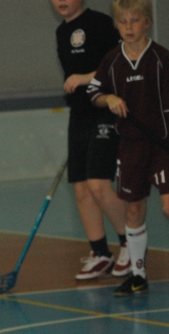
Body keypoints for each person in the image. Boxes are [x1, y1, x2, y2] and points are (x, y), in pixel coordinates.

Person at [88, 0, 168, 295]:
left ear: (147, 22)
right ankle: (138, 275)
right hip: (131, 147)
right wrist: (108, 99)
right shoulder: (111, 60)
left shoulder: (161, 59)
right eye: (123, 22)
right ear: (117, 24)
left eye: (135, 21)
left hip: (162, 146)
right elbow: (94, 91)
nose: (129, 27)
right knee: (134, 209)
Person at [52, 0, 130, 280]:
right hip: (80, 115)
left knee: (99, 184)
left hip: (105, 110)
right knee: (82, 189)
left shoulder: (99, 24)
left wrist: (84, 78)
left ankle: (129, 244)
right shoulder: (62, 33)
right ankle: (100, 253)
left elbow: (119, 66)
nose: (61, 1)